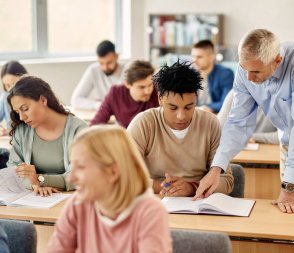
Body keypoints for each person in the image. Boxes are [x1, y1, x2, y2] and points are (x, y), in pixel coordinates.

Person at [195, 29, 294, 213]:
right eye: (245, 69)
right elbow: (237, 123)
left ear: (277, 61)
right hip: (288, 148)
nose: (249, 78)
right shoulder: (246, 69)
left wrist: (288, 186)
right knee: (288, 213)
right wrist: (216, 169)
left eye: (256, 71)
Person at [47, 125, 172, 253]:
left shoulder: (149, 212)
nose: (70, 178)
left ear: (112, 172)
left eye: (80, 167)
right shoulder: (77, 204)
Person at [128, 61, 233, 197]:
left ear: (196, 98)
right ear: (160, 98)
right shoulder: (143, 123)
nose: (181, 116)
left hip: (198, 207)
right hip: (155, 205)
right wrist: (168, 188)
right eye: (173, 108)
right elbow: (124, 175)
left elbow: (227, 181)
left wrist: (192, 187)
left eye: (189, 107)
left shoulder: (210, 123)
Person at [7, 76, 87, 196]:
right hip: (34, 200)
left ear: (43, 100)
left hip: (73, 200)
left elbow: (79, 176)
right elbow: (13, 172)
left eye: (25, 109)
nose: (22, 118)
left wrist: (39, 180)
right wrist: (35, 185)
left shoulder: (79, 130)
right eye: (18, 112)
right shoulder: (22, 131)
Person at [90, 60, 159, 128]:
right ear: (127, 84)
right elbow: (97, 123)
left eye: (150, 85)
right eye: (141, 87)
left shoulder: (159, 91)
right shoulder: (115, 93)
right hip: (126, 137)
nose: (148, 91)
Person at [71, 40, 126, 110]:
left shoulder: (127, 70)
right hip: (104, 113)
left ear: (116, 57)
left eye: (109, 63)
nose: (105, 67)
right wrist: (99, 105)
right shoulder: (93, 70)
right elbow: (75, 100)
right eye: (101, 63)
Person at [191, 40, 234, 113]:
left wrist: (206, 108)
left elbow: (226, 103)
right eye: (193, 56)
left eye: (199, 57)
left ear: (211, 57)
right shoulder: (190, 74)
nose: (194, 60)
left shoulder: (226, 74)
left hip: (215, 115)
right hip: (193, 114)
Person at [0, 61, 28, 134]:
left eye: (13, 84)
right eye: (7, 85)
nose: (10, 90)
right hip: (12, 138)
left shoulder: (33, 96)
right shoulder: (5, 97)